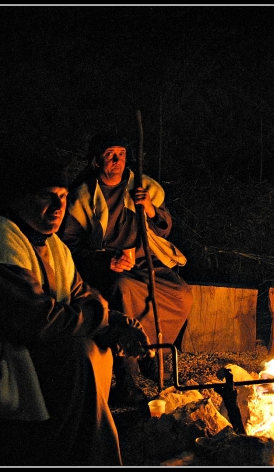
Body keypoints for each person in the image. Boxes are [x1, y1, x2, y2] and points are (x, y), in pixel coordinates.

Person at [0, 151, 153, 466]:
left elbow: (82, 294)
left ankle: (73, 454)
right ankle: (39, 455)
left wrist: (117, 323)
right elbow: (35, 320)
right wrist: (101, 318)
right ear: (19, 199)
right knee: (72, 357)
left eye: (63, 197)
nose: (60, 206)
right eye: (48, 196)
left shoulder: (54, 247)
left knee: (92, 350)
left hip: (16, 356)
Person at [59, 132, 192, 405]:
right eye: (110, 154)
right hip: (108, 265)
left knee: (181, 294)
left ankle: (153, 354)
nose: (118, 160)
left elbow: (165, 229)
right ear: (97, 161)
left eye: (121, 153)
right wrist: (105, 260)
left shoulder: (144, 187)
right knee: (123, 290)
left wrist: (151, 210)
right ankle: (127, 377)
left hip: (146, 260)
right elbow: (69, 246)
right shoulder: (83, 196)